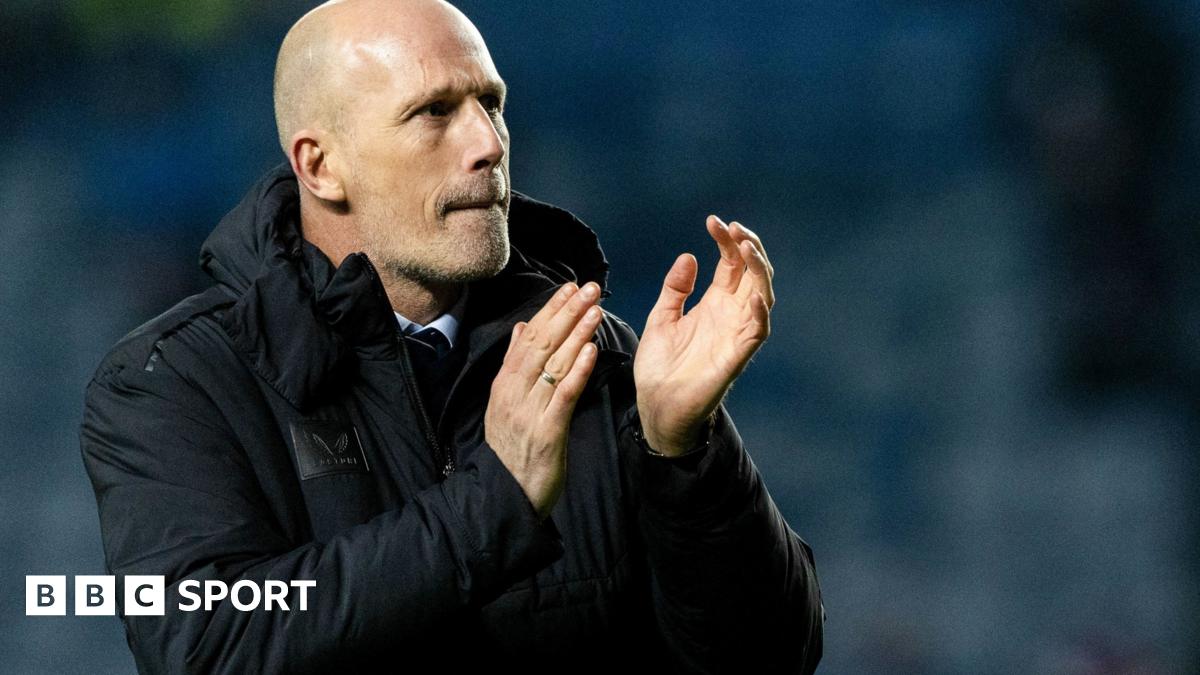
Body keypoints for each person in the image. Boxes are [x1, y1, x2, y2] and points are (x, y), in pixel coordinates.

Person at [79, 0, 824, 672]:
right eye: (434, 111)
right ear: (320, 164)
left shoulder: (594, 356)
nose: (488, 142)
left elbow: (769, 658)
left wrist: (685, 452)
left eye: (490, 104)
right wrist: (494, 503)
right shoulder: (170, 381)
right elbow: (205, 646)